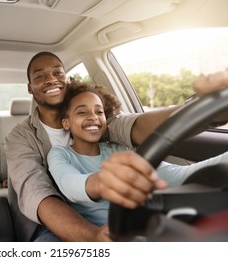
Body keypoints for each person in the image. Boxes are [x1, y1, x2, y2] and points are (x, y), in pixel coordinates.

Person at [4, 51, 228, 242]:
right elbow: (38, 194)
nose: (51, 79)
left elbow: (138, 126)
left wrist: (206, 108)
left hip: (119, 215)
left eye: (57, 72)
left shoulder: (102, 126)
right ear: (30, 88)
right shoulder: (23, 139)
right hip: (59, 222)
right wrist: (95, 236)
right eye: (40, 76)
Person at [47, 79, 228, 228]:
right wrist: (104, 181)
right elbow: (69, 185)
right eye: (82, 112)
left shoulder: (118, 150)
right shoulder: (60, 154)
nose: (93, 117)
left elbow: (175, 175)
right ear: (66, 123)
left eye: (99, 111)